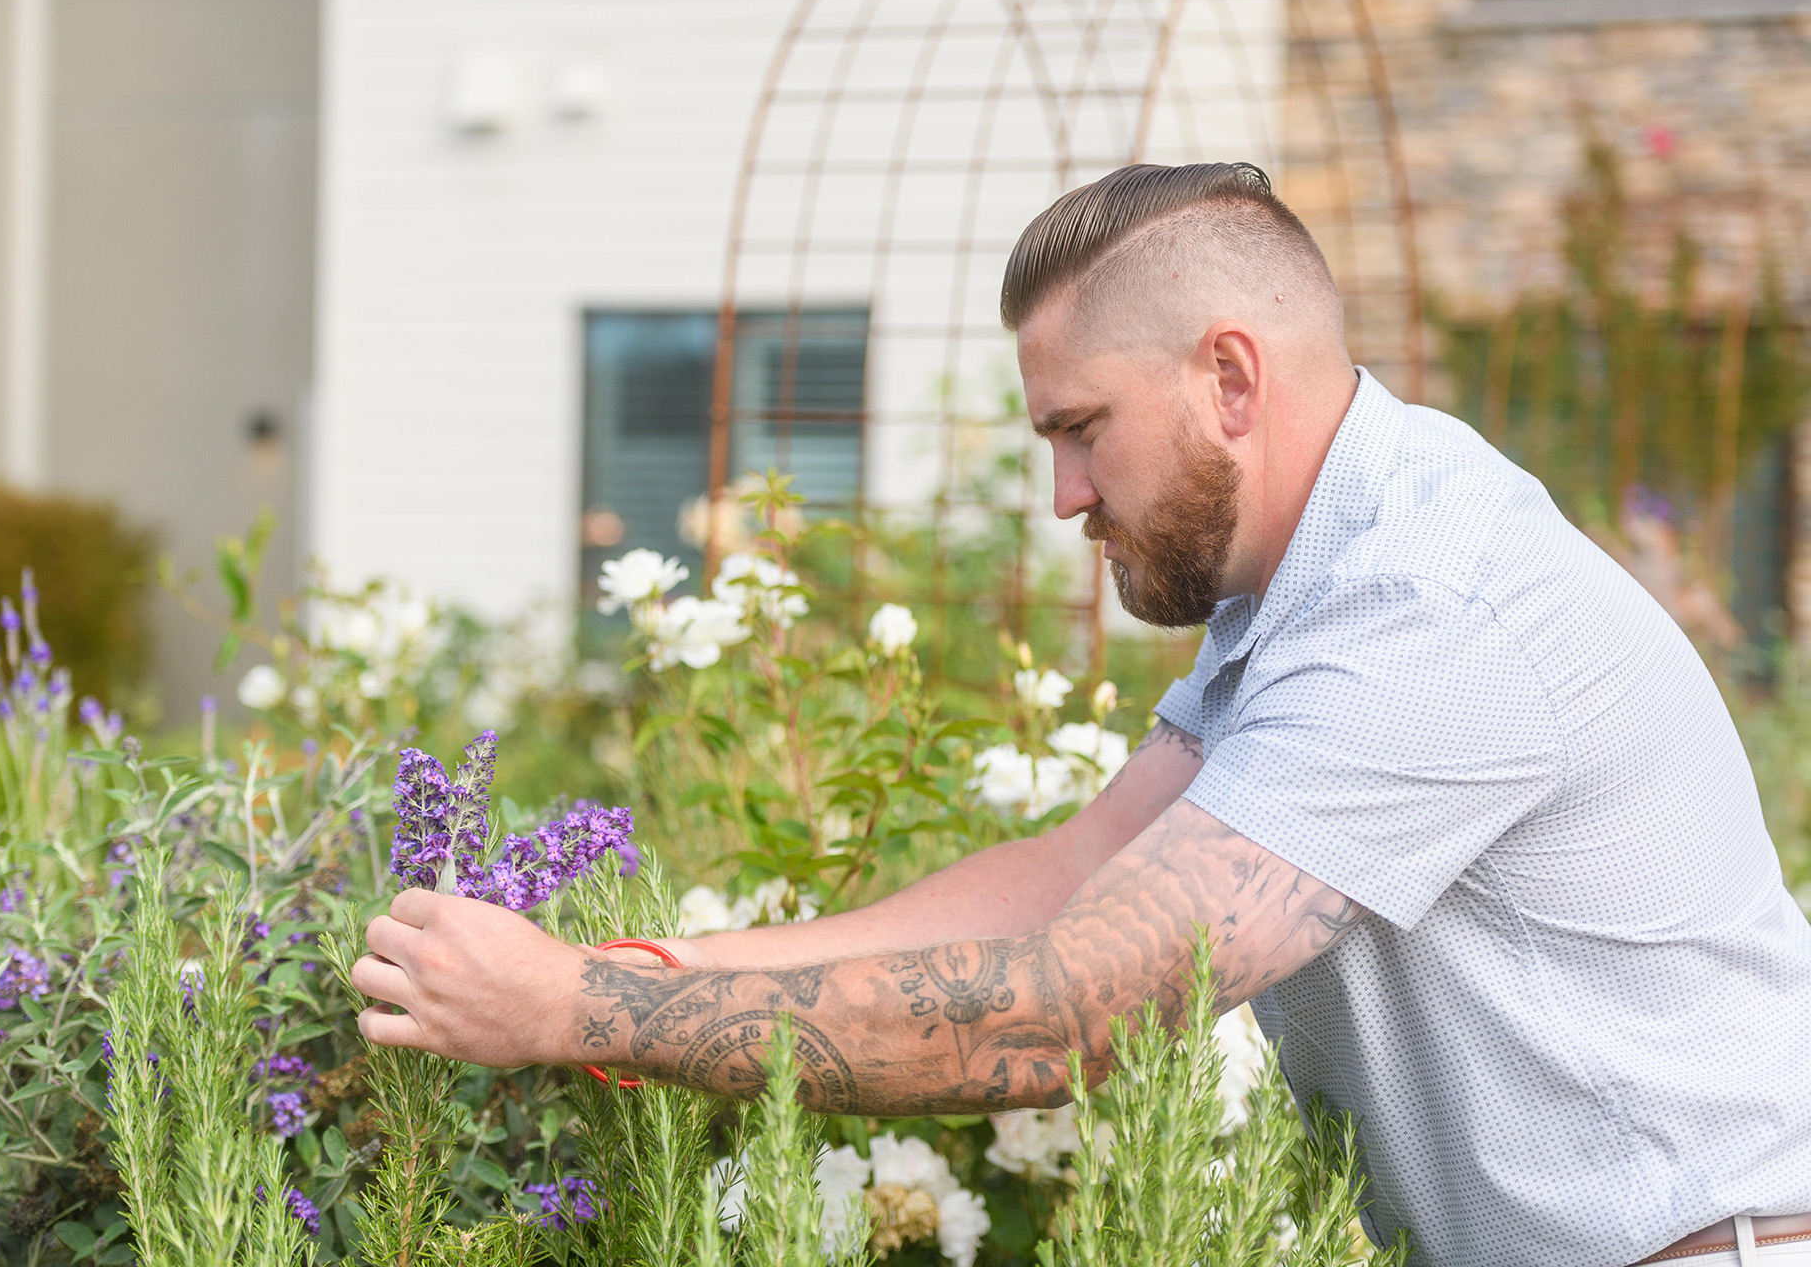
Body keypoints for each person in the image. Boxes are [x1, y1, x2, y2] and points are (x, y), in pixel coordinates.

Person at [350, 163, 1811, 1266]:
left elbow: (1083, 1004)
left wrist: (577, 1010)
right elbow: (1067, 875)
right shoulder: (1302, 584)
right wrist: (617, 966)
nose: (1063, 497)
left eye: (1080, 429)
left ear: (1228, 376)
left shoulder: (1427, 609)